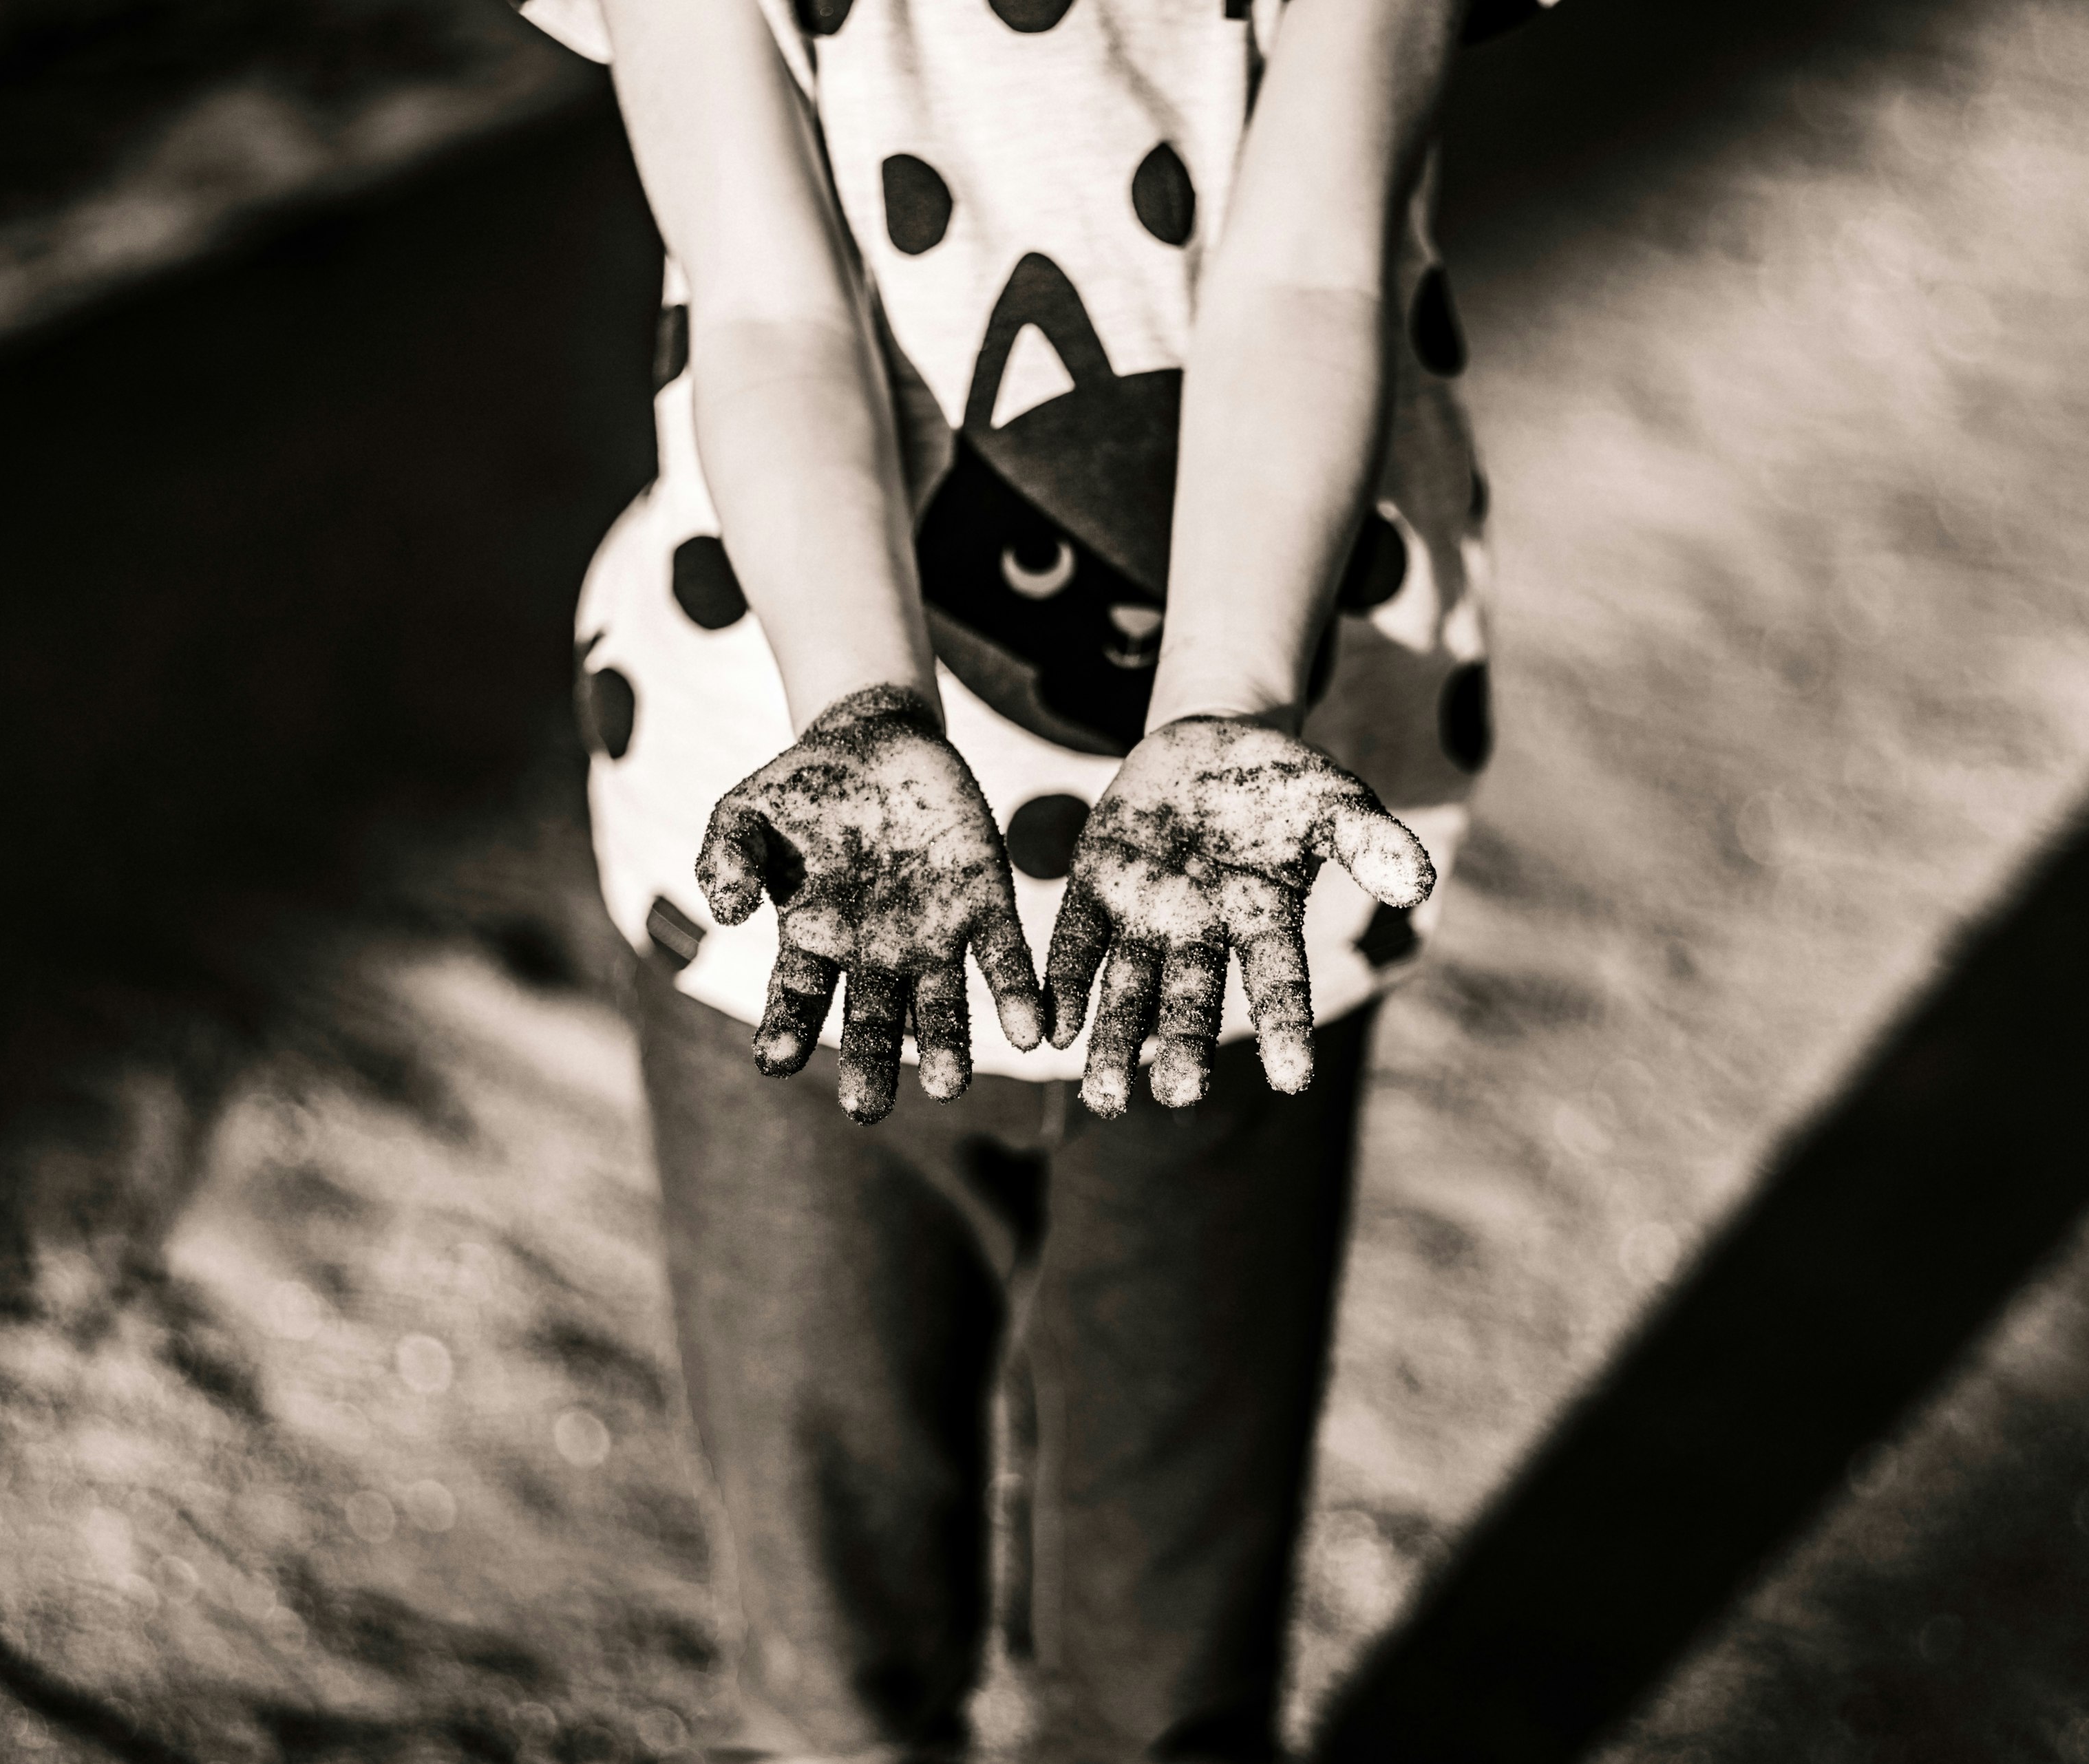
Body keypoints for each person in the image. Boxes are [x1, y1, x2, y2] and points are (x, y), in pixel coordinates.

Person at [515, 0, 1509, 1756]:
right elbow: (768, 308)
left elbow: (1314, 275)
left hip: (1236, 893)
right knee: (832, 1652)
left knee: (1169, 1660)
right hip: (806, 882)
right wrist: (864, 707)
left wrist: (1219, 706)